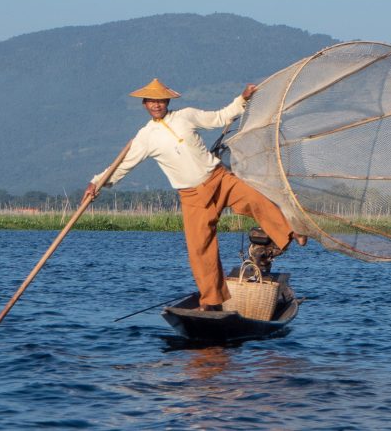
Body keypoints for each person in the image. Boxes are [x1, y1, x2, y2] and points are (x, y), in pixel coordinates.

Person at [83, 78, 306, 311]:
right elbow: (123, 165)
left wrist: (242, 99)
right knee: (200, 248)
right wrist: (97, 183)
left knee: (255, 200)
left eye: (160, 100)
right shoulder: (144, 137)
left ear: (167, 101)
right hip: (192, 196)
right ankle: (211, 301)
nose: (156, 105)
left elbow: (220, 117)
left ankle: (292, 232)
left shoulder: (186, 116)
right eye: (151, 101)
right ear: (145, 104)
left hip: (218, 179)